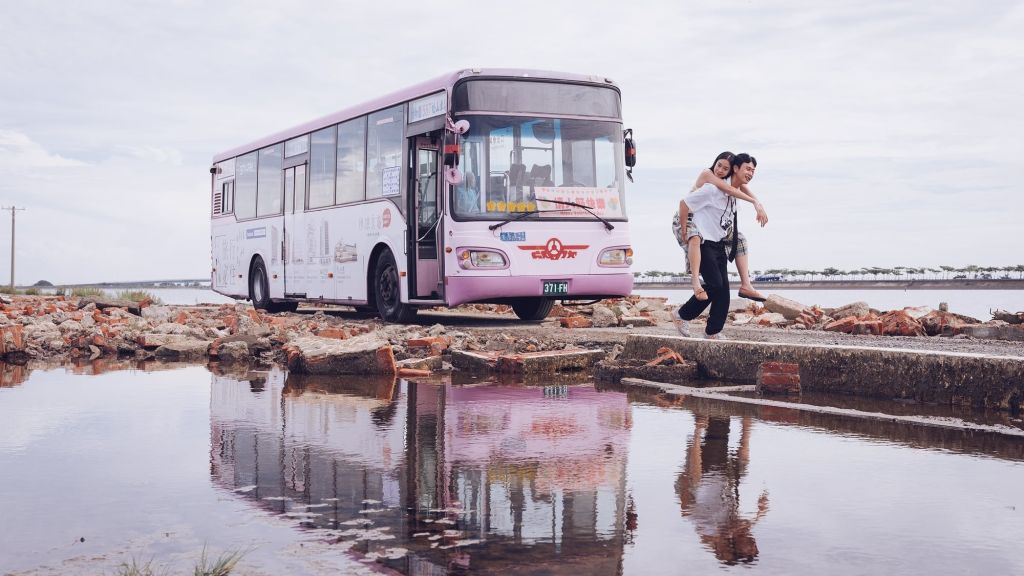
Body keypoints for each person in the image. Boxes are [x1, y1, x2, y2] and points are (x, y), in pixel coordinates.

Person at [675, 153, 758, 339]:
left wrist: (757, 203)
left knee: (723, 292)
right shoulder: (712, 189)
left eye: (753, 170)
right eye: (747, 169)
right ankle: (681, 315)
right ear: (736, 169)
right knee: (714, 285)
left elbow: (741, 191)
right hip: (703, 241)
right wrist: (684, 230)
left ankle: (712, 332)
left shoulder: (734, 195)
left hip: (719, 242)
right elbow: (684, 203)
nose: (750, 173)